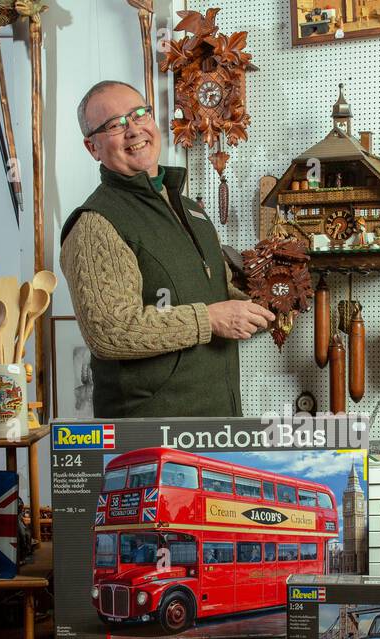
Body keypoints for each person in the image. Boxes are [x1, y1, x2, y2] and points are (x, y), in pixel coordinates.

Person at [60, 80, 274, 418]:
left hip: (218, 421)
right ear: (92, 147)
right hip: (148, 432)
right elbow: (110, 330)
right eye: (115, 125)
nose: (133, 130)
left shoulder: (191, 209)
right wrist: (210, 319)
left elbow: (208, 290)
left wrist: (260, 303)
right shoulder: (95, 223)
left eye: (139, 114)